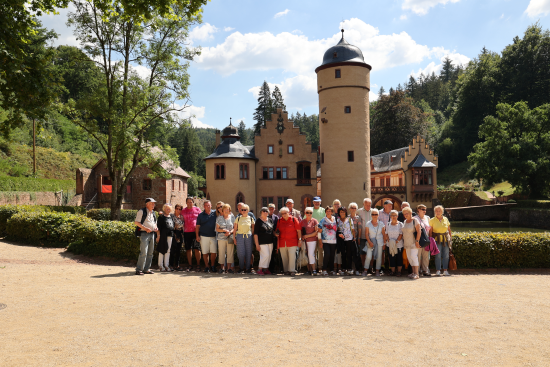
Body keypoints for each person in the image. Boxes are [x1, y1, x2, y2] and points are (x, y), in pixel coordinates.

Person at [134, 198, 159, 275]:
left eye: (154, 203)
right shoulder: (141, 211)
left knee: (150, 253)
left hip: (152, 234)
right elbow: (136, 222)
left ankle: (146, 269)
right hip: (144, 234)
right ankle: (139, 269)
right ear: (147, 204)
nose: (153, 205)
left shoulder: (153, 213)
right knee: (144, 252)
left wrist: (156, 227)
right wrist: (145, 228)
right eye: (152, 203)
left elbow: (155, 222)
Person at [275, 207, 302, 276]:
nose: (284, 215)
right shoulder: (279, 221)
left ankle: (292, 270)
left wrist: (299, 240)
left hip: (292, 241)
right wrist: (276, 233)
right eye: (282, 213)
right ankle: (286, 270)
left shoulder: (294, 219)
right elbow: (276, 230)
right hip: (282, 242)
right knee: (284, 257)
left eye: (285, 213)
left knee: (292, 256)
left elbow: (298, 230)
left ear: (288, 213)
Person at [429, 205, 452, 276]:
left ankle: (445, 270)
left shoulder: (446, 219)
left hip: (446, 239)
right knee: (438, 255)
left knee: (446, 255)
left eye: (439, 211)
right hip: (436, 240)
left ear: (442, 212)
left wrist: (450, 239)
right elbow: (430, 231)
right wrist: (431, 240)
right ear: (434, 212)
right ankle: (438, 270)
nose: (438, 212)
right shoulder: (432, 220)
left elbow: (449, 230)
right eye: (436, 211)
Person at [196, 200, 218, 273]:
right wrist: (197, 236)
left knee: (213, 252)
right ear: (204, 206)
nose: (207, 206)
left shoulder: (215, 213)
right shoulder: (200, 215)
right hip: (203, 236)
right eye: (206, 205)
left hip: (214, 236)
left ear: (211, 205)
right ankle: (206, 266)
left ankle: (212, 266)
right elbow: (197, 227)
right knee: (205, 252)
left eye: (209, 205)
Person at [363, 208, 386, 277]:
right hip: (371, 242)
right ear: (371, 215)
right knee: (369, 257)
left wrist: (384, 243)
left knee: (379, 257)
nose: (374, 215)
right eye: (373, 214)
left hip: (380, 242)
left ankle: (377, 271)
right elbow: (366, 234)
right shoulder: (368, 223)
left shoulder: (381, 224)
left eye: (376, 214)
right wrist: (369, 242)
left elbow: (384, 234)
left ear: (378, 215)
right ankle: (365, 271)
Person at [336, 207, 358, 276]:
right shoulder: (338, 220)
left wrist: (354, 237)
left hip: (349, 239)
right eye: (341, 212)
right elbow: (337, 229)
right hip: (341, 240)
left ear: (345, 212)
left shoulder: (349, 219)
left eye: (343, 212)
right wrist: (339, 235)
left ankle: (349, 269)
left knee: (349, 254)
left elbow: (353, 228)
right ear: (339, 213)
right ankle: (343, 268)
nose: (342, 213)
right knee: (343, 254)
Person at [234, 204, 255, 274]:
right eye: (242, 209)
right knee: (241, 253)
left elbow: (253, 229)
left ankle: (248, 268)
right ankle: (241, 268)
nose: (243, 211)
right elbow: (235, 229)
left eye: (245, 210)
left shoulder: (251, 218)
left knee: (248, 253)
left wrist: (251, 235)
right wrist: (234, 238)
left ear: (248, 210)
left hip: (248, 236)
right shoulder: (238, 218)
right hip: (240, 236)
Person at [182, 198, 202, 271]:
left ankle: (198, 265)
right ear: (186, 203)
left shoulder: (197, 209)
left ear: (193, 203)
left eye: (191, 202)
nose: (189, 203)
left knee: (197, 248)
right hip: (187, 232)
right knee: (188, 249)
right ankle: (190, 265)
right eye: (188, 202)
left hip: (196, 232)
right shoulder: (183, 211)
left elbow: (201, 219)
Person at [402, 207, 421, 280]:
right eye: (404, 214)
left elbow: (419, 231)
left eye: (407, 213)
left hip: (413, 242)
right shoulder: (405, 221)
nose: (405, 215)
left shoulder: (415, 220)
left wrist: (417, 241)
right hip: (406, 243)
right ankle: (413, 272)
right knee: (409, 258)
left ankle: (417, 273)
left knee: (414, 257)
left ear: (410, 213)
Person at [254, 207, 275, 275]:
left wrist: (276, 234)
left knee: (269, 256)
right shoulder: (258, 221)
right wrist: (257, 244)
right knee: (265, 255)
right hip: (262, 242)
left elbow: (272, 231)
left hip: (270, 241)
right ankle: (260, 269)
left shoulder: (270, 220)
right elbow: (255, 234)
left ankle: (265, 269)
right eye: (264, 211)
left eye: (266, 211)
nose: (265, 212)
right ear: (261, 212)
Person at [216, 203, 235, 274]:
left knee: (230, 252)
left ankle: (229, 268)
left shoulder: (232, 217)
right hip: (221, 238)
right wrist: (223, 230)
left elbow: (234, 228)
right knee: (221, 253)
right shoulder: (219, 218)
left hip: (230, 237)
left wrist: (230, 232)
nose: (226, 210)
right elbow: (217, 229)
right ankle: (222, 268)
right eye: (225, 209)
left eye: (228, 209)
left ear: (229, 210)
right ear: (223, 210)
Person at [318, 206, 337, 276]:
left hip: (333, 241)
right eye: (327, 211)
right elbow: (319, 232)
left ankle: (331, 270)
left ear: (332, 212)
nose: (328, 212)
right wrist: (320, 241)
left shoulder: (335, 219)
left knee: (332, 255)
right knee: (327, 254)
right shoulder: (323, 220)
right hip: (325, 241)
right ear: (325, 212)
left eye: (329, 211)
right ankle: (324, 269)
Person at [156, 203, 175, 272]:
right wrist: (158, 236)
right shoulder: (161, 216)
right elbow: (158, 227)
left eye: (169, 208)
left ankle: (166, 265)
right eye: (167, 208)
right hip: (163, 235)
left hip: (170, 235)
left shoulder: (172, 216)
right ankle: (160, 265)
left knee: (168, 250)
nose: (168, 209)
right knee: (162, 250)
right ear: (164, 209)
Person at [301, 207, 320, 276]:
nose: (309, 214)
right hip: (304, 241)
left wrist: (307, 236)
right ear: (305, 213)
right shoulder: (302, 221)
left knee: (311, 254)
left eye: (310, 213)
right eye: (307, 212)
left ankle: (314, 270)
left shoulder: (314, 221)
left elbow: (316, 232)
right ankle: (309, 270)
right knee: (307, 255)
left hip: (312, 240)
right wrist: (301, 237)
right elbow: (299, 230)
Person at [386, 209, 404, 276]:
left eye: (395, 215)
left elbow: (401, 234)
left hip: (398, 244)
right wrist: (390, 241)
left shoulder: (400, 224)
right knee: (391, 257)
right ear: (390, 216)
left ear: (397, 216)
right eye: (392, 215)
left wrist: (396, 241)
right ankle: (392, 271)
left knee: (399, 257)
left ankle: (399, 271)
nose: (394, 216)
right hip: (390, 244)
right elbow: (386, 233)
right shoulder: (388, 224)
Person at [357, 198, 372, 272]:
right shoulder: (359, 211)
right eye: (367, 205)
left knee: (371, 252)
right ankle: (363, 267)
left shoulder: (373, 211)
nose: (368, 206)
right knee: (362, 252)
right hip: (362, 235)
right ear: (363, 204)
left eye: (369, 205)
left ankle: (371, 267)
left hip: (371, 236)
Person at [416, 204, 431, 276]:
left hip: (426, 239)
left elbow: (430, 229)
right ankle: (418, 271)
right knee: (418, 256)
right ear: (418, 210)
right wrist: (416, 240)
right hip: (419, 239)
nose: (424, 211)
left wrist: (430, 239)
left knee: (425, 256)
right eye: (423, 209)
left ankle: (425, 270)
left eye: (425, 209)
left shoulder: (427, 218)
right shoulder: (415, 218)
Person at [348, 202, 363, 274]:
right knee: (349, 254)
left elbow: (360, 229)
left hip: (356, 239)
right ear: (349, 209)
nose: (353, 209)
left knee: (356, 254)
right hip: (348, 239)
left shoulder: (358, 218)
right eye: (352, 208)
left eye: (355, 208)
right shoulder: (347, 218)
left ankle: (357, 269)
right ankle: (350, 269)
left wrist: (359, 238)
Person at [311, 197, 325, 273]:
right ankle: (314, 267)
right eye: (315, 202)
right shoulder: (310, 210)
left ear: (320, 202)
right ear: (313, 202)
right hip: (312, 234)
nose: (317, 203)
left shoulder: (323, 210)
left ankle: (320, 267)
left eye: (318, 202)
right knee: (313, 251)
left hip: (321, 234)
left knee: (320, 251)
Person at [170, 203, 185, 271]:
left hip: (180, 235)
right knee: (172, 250)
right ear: (175, 209)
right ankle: (171, 265)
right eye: (177, 209)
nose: (178, 210)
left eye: (180, 209)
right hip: (174, 234)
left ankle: (177, 265)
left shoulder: (182, 217)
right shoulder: (171, 216)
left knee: (178, 251)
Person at [267, 203, 281, 274]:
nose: (271, 210)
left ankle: (272, 269)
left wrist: (276, 233)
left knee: (273, 254)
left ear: (274, 209)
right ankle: (266, 269)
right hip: (266, 238)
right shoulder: (264, 216)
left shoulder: (276, 217)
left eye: (272, 209)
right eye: (270, 208)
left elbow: (277, 227)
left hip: (274, 238)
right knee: (267, 254)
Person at [332, 199, 343, 273]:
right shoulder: (331, 214)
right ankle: (334, 267)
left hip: (340, 236)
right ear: (333, 206)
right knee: (333, 251)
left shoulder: (342, 214)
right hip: (332, 236)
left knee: (339, 252)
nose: (337, 206)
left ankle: (339, 267)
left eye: (338, 204)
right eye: (335, 204)